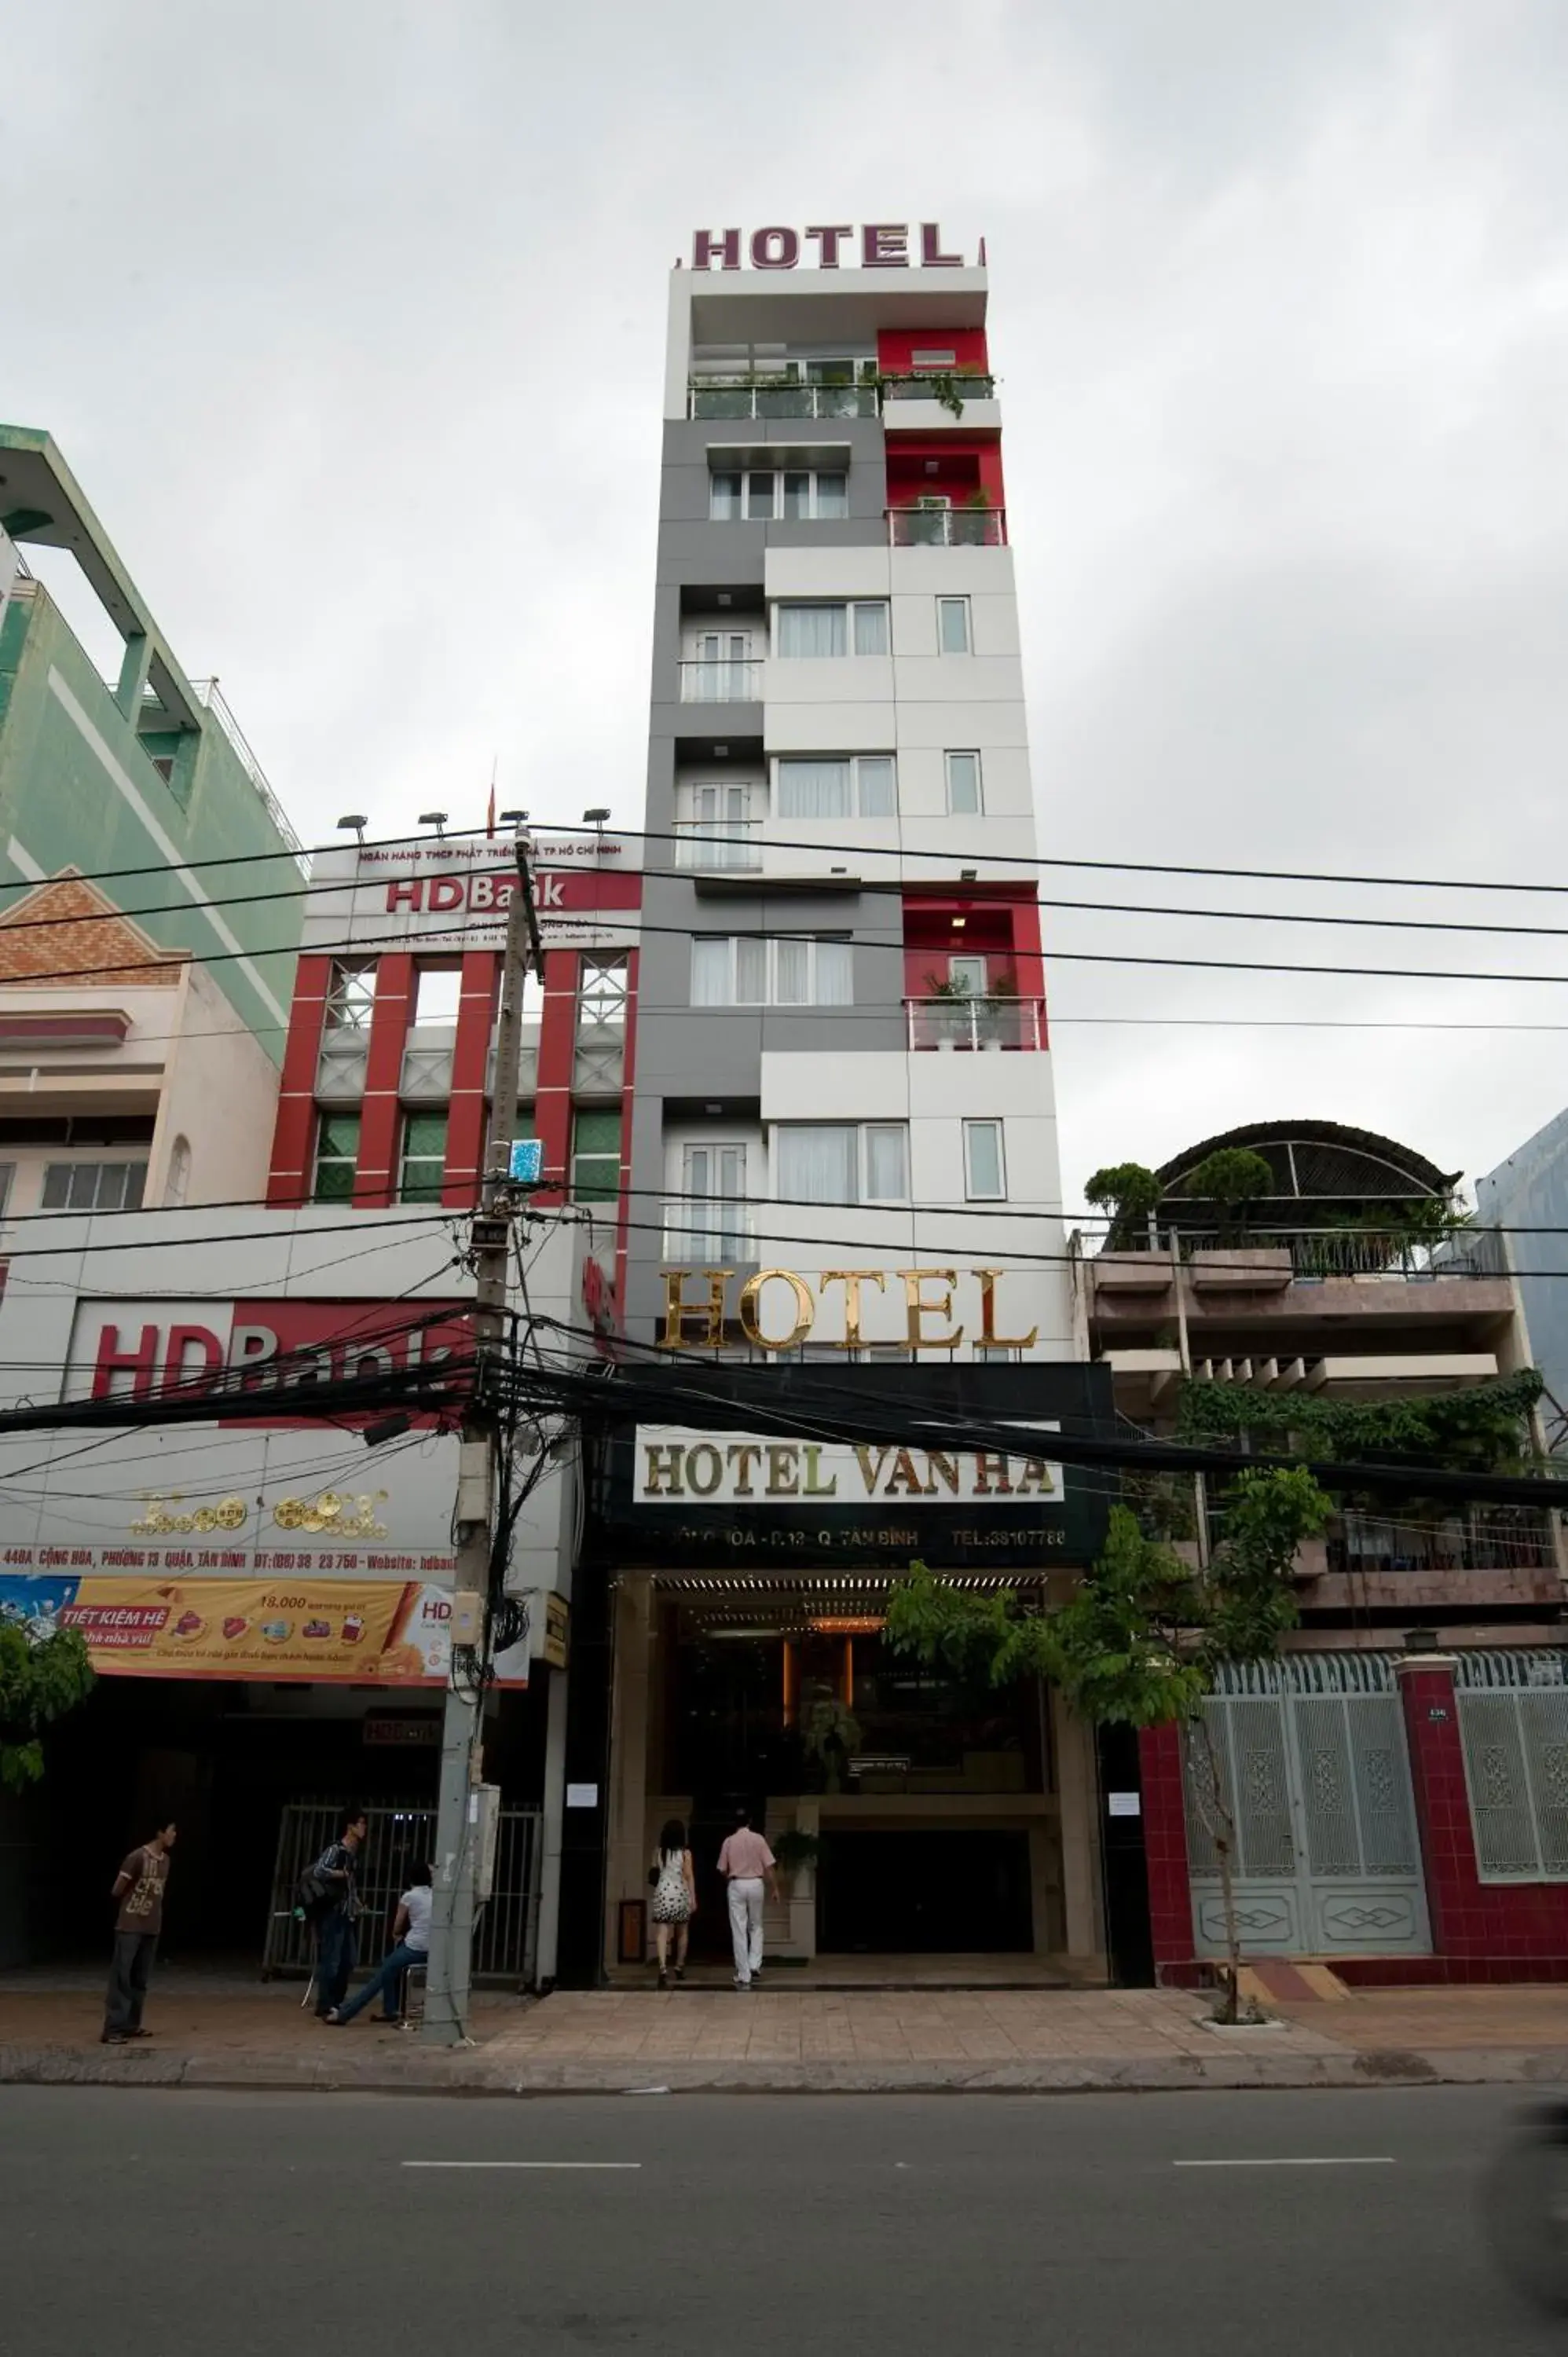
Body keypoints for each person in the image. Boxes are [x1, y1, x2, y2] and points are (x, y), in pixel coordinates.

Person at [326, 1861, 431, 2026]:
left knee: (380, 1977)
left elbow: (398, 1924)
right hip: (433, 1949)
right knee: (389, 1965)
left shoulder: (409, 1897)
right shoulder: (436, 1895)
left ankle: (344, 2014)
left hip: (414, 1947)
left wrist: (396, 1934)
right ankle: (390, 2010)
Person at [103, 1820, 177, 2044]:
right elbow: (117, 1888)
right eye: (172, 1831)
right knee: (122, 1976)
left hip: (151, 1925)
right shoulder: (137, 1857)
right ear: (160, 1833)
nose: (174, 1836)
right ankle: (113, 2028)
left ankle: (131, 2024)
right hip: (131, 1923)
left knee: (140, 1978)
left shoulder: (165, 1861)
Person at [311, 1805, 367, 2021]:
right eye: (361, 1823)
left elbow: (351, 1884)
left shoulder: (353, 1854)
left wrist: (357, 1903)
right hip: (333, 1912)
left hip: (346, 1912)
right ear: (350, 1827)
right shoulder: (337, 1850)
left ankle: (336, 2000)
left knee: (348, 1960)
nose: (364, 1828)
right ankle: (326, 2003)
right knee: (332, 1960)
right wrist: (340, 1873)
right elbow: (319, 1870)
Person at [716, 1805, 779, 1992]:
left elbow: (722, 1868)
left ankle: (744, 1973)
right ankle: (754, 1963)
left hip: (737, 1883)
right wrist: (775, 1888)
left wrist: (730, 1878)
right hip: (756, 1883)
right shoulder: (759, 1839)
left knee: (739, 1928)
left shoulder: (728, 1842)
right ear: (750, 1822)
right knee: (756, 1925)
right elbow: (769, 1866)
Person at [649, 1817, 697, 1990]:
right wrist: (693, 1897)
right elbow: (689, 1875)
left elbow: (654, 1871)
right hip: (679, 1892)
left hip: (662, 1891)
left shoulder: (658, 1852)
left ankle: (662, 1968)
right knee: (682, 1931)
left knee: (662, 1932)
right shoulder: (685, 1854)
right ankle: (679, 1965)